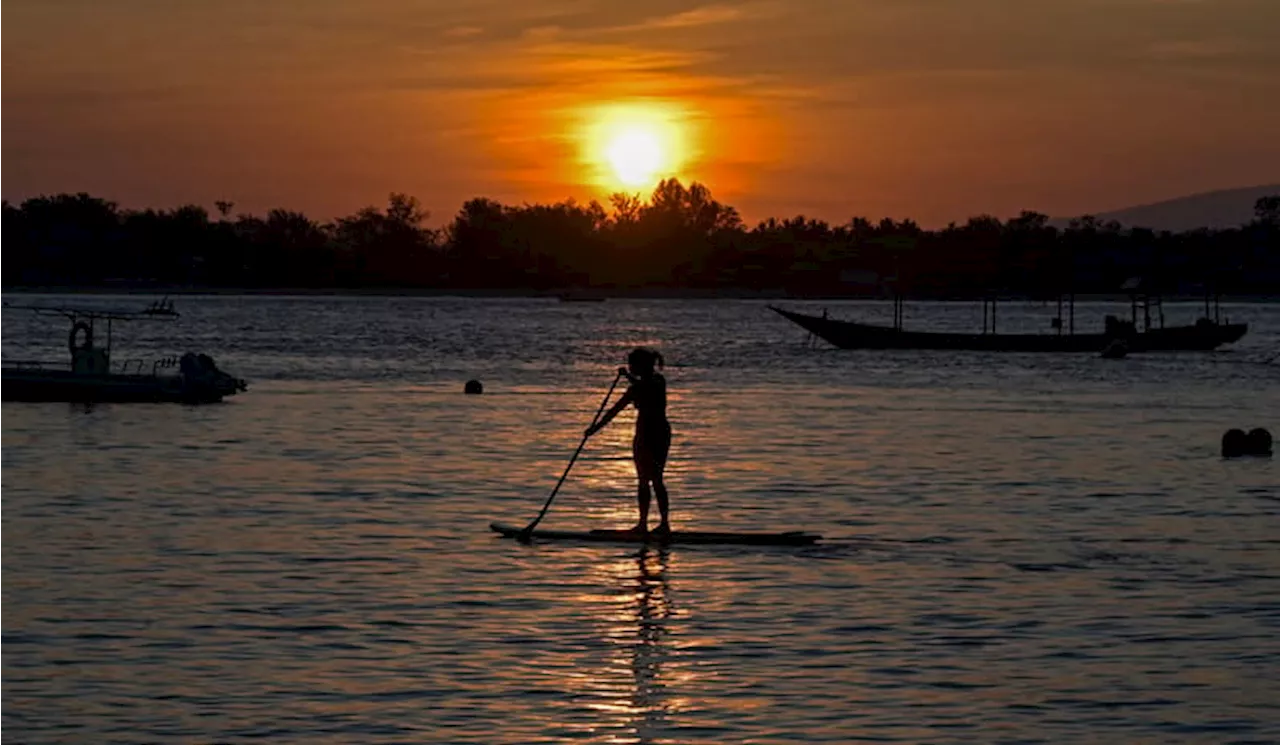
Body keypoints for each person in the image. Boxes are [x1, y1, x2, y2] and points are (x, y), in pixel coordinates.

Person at [585, 347, 672, 536]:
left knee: (656, 478)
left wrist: (627, 377)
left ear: (642, 366)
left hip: (657, 434)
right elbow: (614, 410)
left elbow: (646, 388)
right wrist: (594, 429)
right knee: (642, 480)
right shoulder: (635, 388)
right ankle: (642, 524)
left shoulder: (657, 381)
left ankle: (664, 524)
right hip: (642, 435)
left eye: (633, 364)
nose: (630, 367)